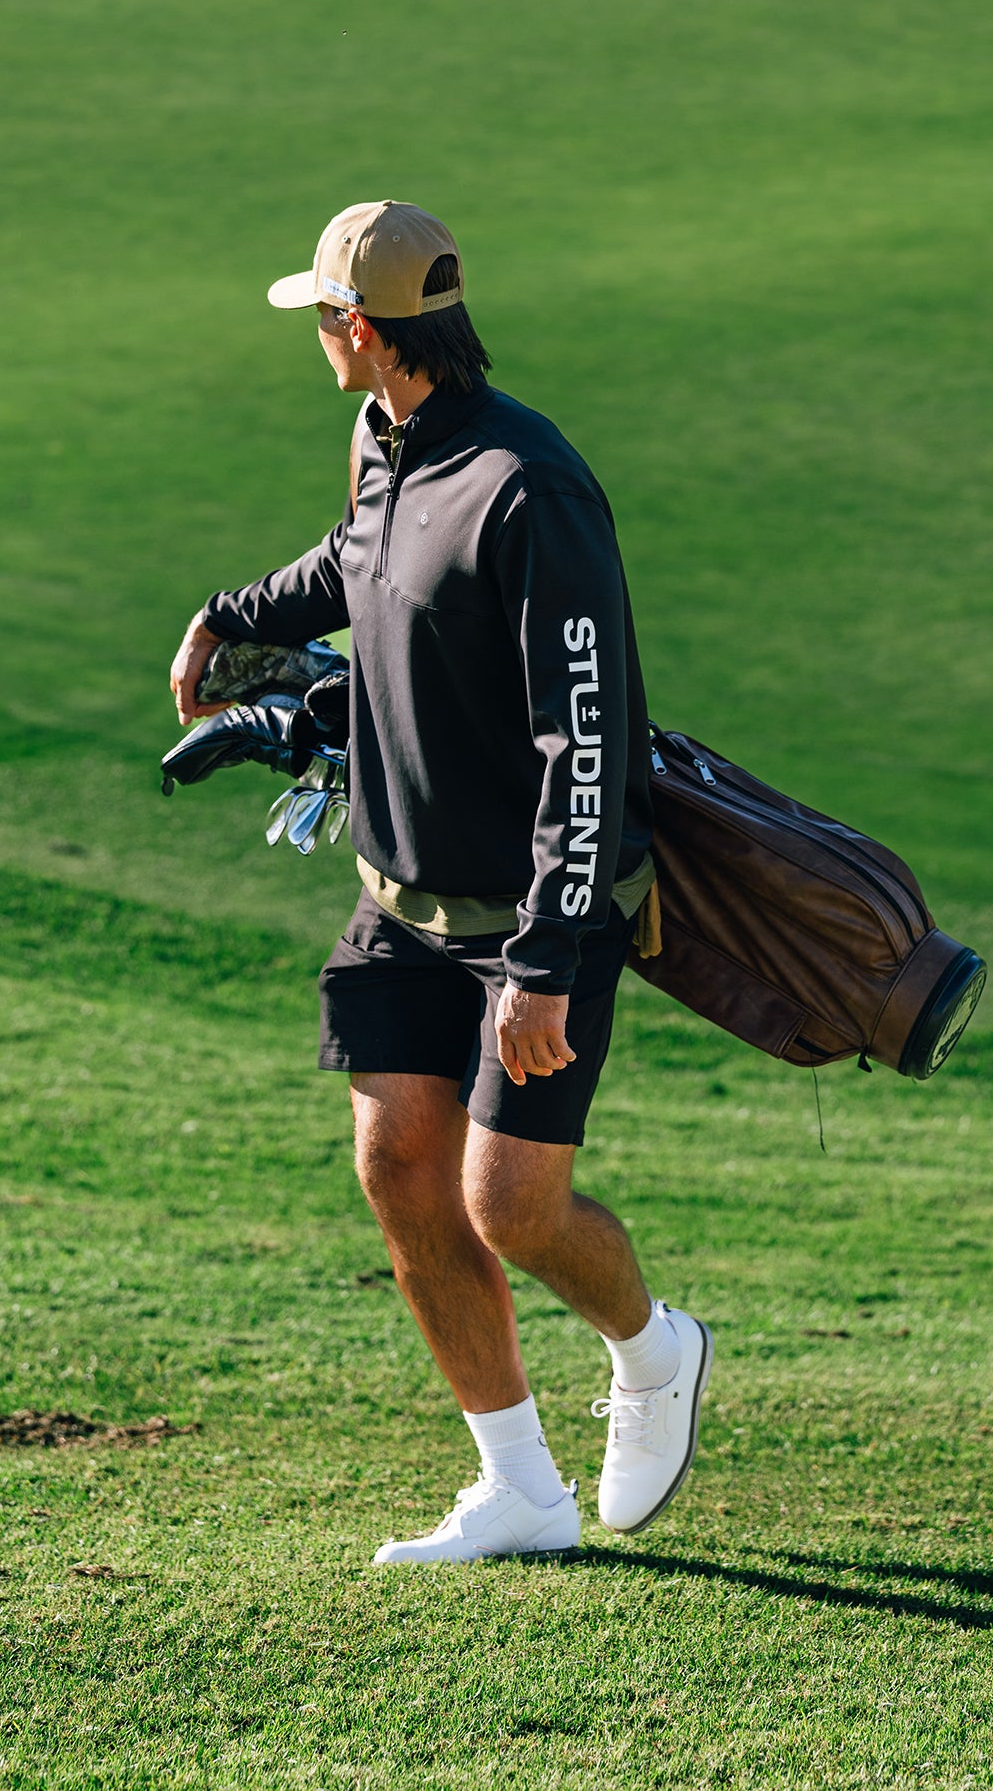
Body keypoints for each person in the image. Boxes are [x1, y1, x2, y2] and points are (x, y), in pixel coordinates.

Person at [170, 200, 709, 1565]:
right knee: (399, 1167)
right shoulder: (384, 437)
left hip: (535, 914)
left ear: (361, 326)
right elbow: (360, 562)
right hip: (399, 896)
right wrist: (235, 617)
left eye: (320, 316)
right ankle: (519, 1488)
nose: (316, 336)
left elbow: (586, 739)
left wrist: (543, 961)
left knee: (509, 1208)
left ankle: (655, 1351)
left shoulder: (530, 490)